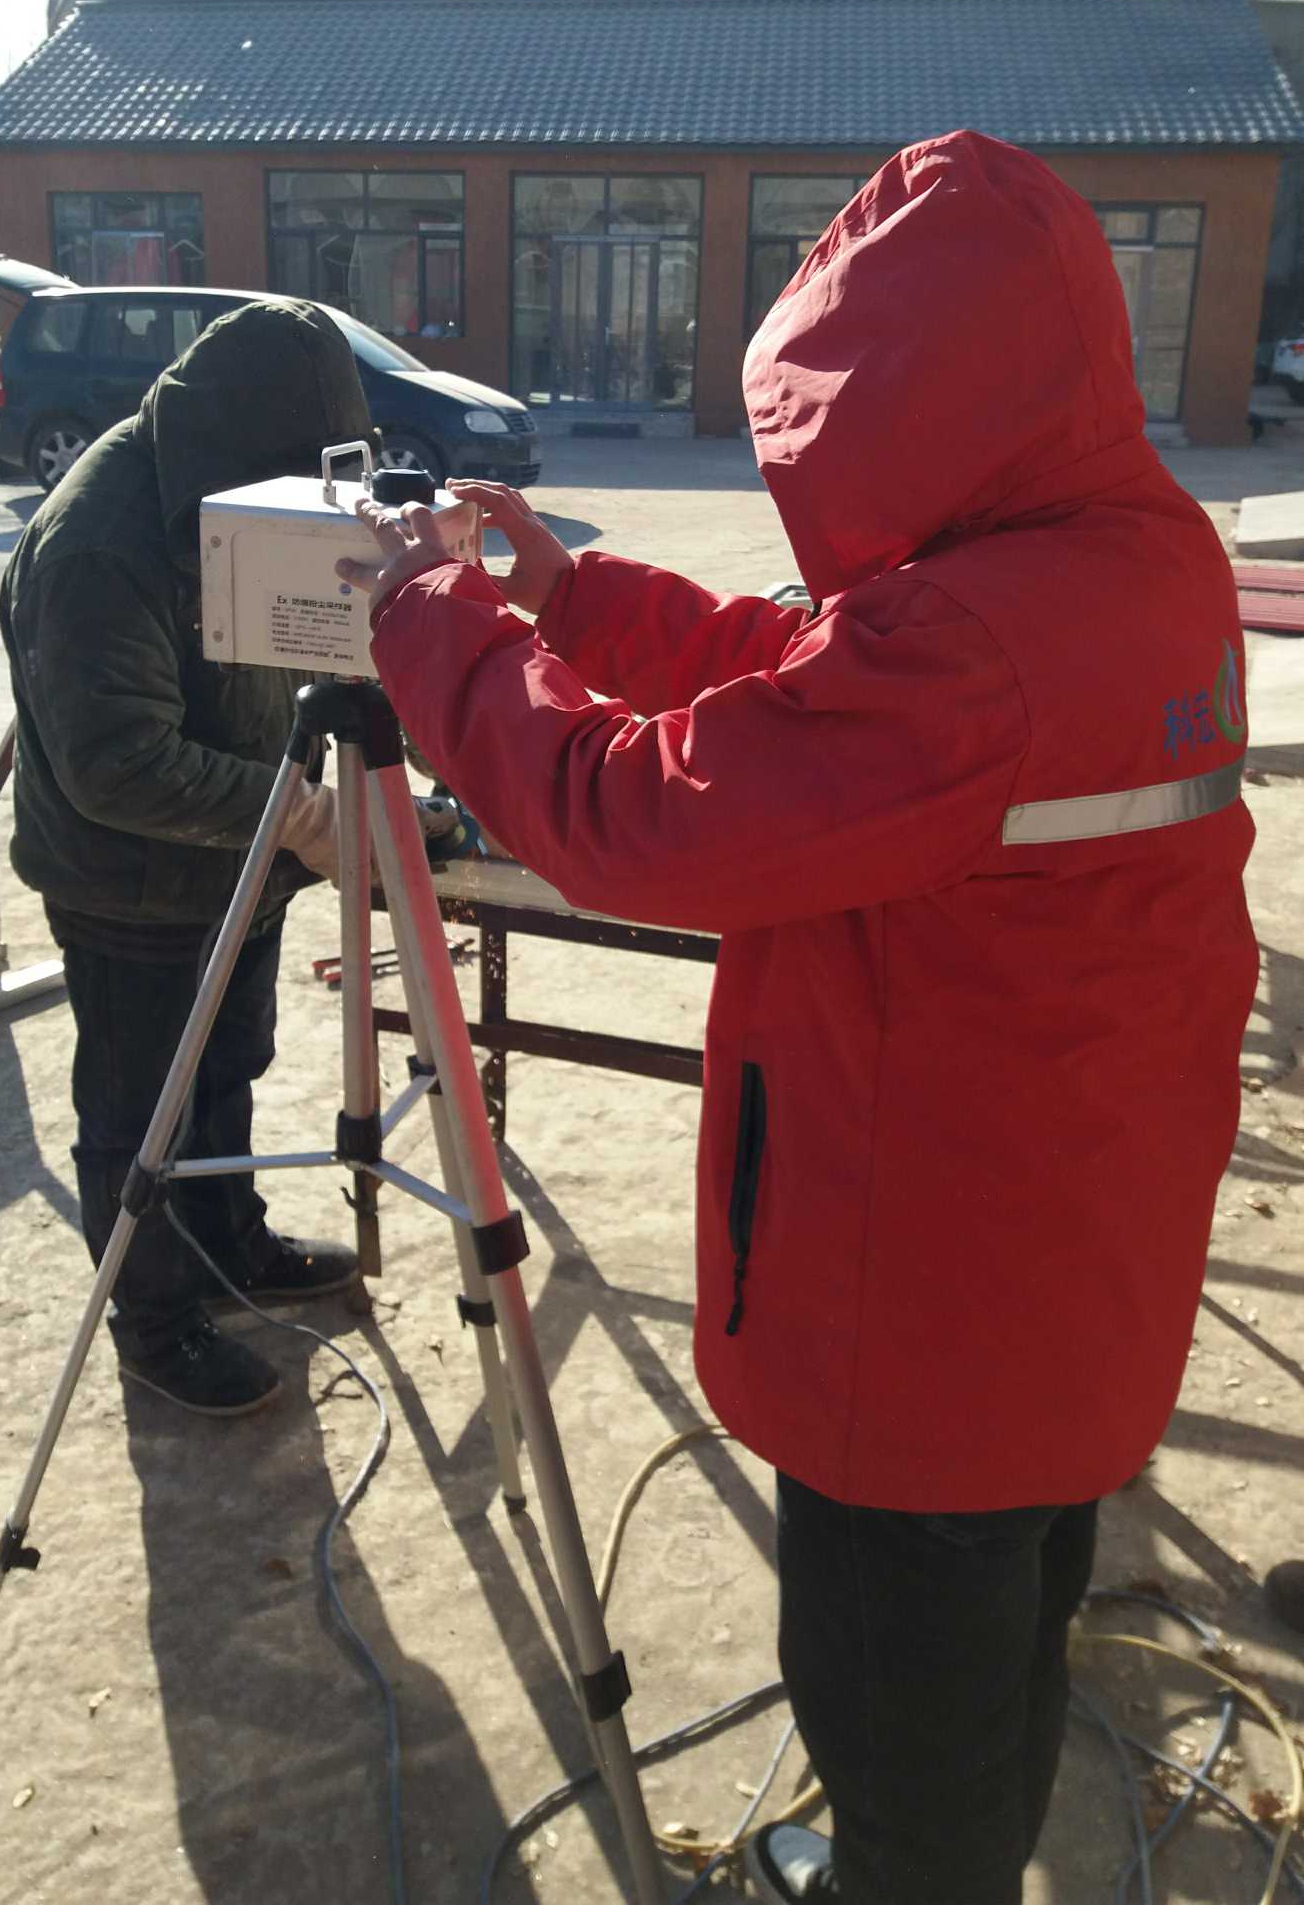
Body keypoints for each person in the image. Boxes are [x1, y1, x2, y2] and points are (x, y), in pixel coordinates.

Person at [335, 133, 1258, 1902]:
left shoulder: (973, 642)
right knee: (997, 1659)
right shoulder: (1133, 562)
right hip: (1063, 1275)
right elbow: (823, 695)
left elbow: (635, 815)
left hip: (920, 1316)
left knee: (899, 1715)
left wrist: (433, 628)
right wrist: (570, 600)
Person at [0, 299, 373, 1418]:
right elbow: (117, 763)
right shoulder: (101, 545)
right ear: (235, 456)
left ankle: (229, 1245)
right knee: (142, 1118)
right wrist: (300, 814)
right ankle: (156, 1324)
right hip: (130, 891)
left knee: (226, 1072)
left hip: (240, 864)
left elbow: (299, 632)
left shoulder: (240, 500)